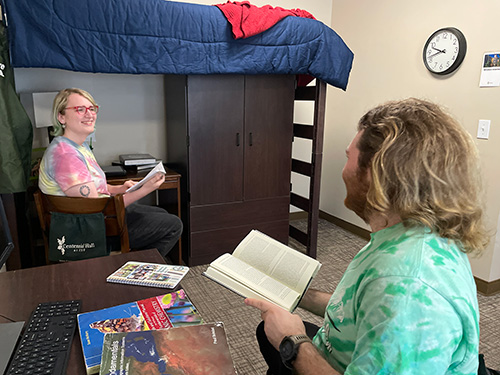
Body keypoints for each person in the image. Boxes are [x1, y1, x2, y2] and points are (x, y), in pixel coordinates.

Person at [246, 98, 489, 374]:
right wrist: (297, 293)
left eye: (349, 157)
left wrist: (294, 342)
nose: (343, 171)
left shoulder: (407, 290)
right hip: (343, 348)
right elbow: (358, 310)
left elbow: (389, 308)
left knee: (278, 342)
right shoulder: (408, 234)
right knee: (266, 332)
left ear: (377, 174)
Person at [38, 88, 182, 259]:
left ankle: (137, 264)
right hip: (89, 231)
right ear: (61, 117)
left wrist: (119, 188)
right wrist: (144, 190)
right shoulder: (65, 155)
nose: (89, 114)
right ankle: (129, 265)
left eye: (92, 109)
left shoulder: (77, 146)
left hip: (97, 219)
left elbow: (93, 187)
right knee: (173, 225)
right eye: (80, 109)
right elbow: (97, 207)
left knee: (161, 215)